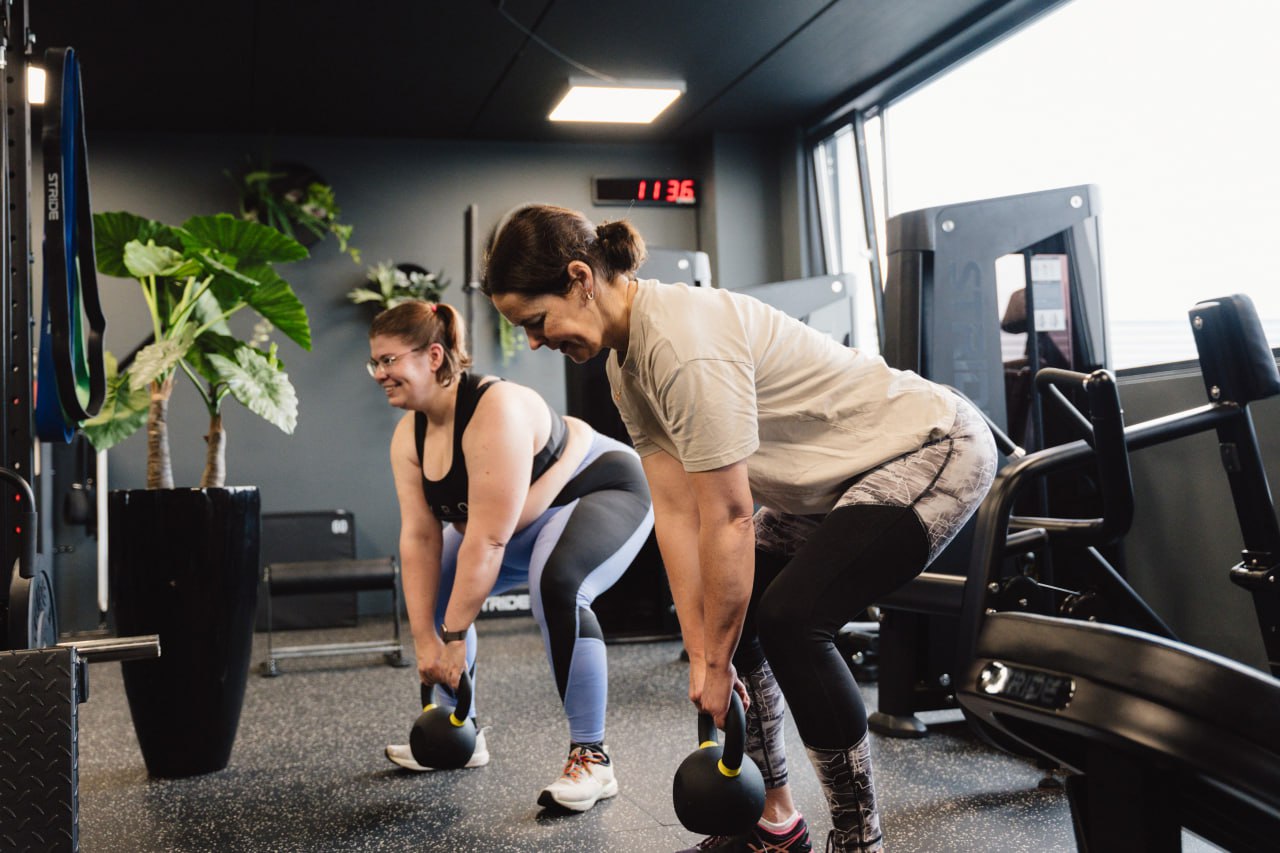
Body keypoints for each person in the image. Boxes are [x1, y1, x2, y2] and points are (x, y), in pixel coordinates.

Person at [482, 205, 998, 852]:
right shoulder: (625, 367)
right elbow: (677, 511)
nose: (533, 342)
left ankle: (859, 842)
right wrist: (703, 651)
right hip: (831, 482)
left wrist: (718, 659)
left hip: (929, 446)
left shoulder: (681, 344)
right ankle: (774, 822)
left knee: (791, 619)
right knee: (741, 614)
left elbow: (728, 517)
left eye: (536, 321)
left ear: (581, 278)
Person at [369, 300, 654, 813]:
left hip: (599, 491)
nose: (379, 374)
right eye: (374, 362)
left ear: (433, 356)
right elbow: (419, 538)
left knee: (558, 585)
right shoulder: (409, 434)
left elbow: (487, 540)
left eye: (389, 360)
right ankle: (458, 732)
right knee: (437, 583)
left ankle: (592, 757)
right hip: (517, 521)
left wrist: (454, 638)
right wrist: (426, 642)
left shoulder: (492, 408)